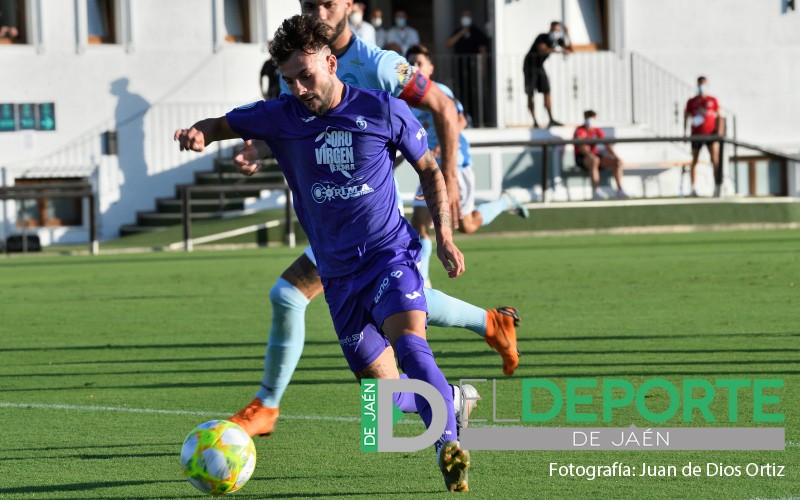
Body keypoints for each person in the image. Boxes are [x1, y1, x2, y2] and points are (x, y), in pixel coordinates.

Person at [175, 16, 471, 491]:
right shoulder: (280, 114)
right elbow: (221, 124)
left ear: (331, 63)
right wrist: (199, 133)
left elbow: (430, 170)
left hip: (388, 255)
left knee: (412, 347)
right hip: (335, 276)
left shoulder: (381, 109)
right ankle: (452, 399)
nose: (298, 87)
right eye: (289, 78)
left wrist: (447, 236)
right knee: (386, 399)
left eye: (306, 75)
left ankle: (448, 445)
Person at [226, 0, 520, 444]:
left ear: (351, 6)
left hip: (387, 209)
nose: (317, 10)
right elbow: (300, 128)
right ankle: (481, 341)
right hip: (337, 221)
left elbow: (441, 106)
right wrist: (260, 150)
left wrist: (451, 178)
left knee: (355, 302)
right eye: (309, 3)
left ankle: (267, 404)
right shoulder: (300, 65)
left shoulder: (383, 67)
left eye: (328, 3)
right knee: (379, 398)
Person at [406, 44, 529, 287]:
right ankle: (424, 282)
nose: (415, 68)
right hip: (431, 168)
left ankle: (506, 201)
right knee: (419, 221)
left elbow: (460, 119)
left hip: (455, 166)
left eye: (420, 63)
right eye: (411, 63)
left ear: (430, 68)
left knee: (466, 225)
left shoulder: (439, 91)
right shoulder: (407, 100)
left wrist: (444, 142)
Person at [523, 21, 572, 128]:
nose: (555, 32)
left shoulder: (558, 40)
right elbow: (542, 50)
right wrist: (559, 51)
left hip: (539, 66)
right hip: (529, 66)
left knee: (547, 91)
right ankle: (535, 121)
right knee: (530, 94)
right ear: (550, 29)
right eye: (553, 30)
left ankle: (551, 119)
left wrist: (568, 34)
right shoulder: (542, 37)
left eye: (558, 30)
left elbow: (570, 50)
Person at [445, 10, 490, 123]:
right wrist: (462, 32)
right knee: (460, 92)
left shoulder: (477, 33)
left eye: (468, 16)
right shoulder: (457, 31)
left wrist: (483, 70)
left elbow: (483, 50)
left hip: (473, 69)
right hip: (460, 68)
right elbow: (448, 43)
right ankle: (462, 118)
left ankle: (476, 120)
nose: (465, 18)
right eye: (463, 16)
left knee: (474, 93)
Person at [573, 110, 628, 200]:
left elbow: (606, 144)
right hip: (582, 158)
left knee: (616, 162)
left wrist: (617, 157)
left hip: (595, 156)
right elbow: (581, 146)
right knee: (594, 160)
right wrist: (590, 155)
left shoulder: (596, 130)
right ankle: (596, 191)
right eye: (589, 118)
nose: (591, 120)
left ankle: (620, 190)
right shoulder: (579, 130)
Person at [684, 76, 724, 197]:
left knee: (715, 161)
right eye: (700, 84)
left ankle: (717, 188)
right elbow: (686, 116)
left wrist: (719, 133)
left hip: (711, 135)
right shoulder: (691, 101)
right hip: (696, 135)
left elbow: (720, 116)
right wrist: (685, 133)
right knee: (694, 160)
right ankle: (693, 189)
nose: (702, 87)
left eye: (704, 84)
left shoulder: (713, 100)